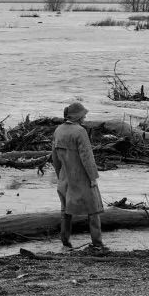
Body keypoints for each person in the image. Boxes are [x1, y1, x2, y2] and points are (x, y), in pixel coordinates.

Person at [51, 102, 106, 251]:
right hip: (81, 176)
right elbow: (87, 157)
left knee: (66, 210)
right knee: (94, 210)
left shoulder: (58, 130)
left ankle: (65, 242)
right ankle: (97, 243)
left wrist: (59, 176)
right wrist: (93, 178)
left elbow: (54, 157)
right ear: (78, 116)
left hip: (65, 177)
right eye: (84, 115)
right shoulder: (80, 131)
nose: (85, 117)